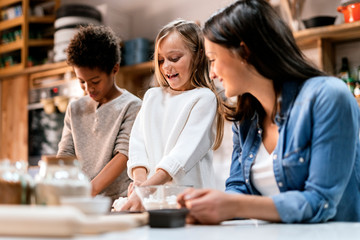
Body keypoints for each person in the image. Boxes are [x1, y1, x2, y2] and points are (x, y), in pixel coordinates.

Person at [178, 0, 360, 223]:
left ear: (244, 51)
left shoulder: (328, 96)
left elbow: (320, 202)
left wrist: (232, 205)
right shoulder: (245, 119)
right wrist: (206, 206)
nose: (212, 73)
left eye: (213, 60)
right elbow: (238, 188)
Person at [120, 19, 225, 211]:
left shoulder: (204, 98)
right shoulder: (152, 96)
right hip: (152, 199)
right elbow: (137, 143)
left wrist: (148, 188)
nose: (166, 66)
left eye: (174, 58)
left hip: (191, 203)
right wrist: (140, 182)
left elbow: (182, 154)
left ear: (198, 56)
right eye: (161, 60)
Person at [57, 25, 142, 202]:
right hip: (81, 200)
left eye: (95, 81)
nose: (88, 88)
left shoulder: (132, 106)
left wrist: (89, 191)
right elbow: (65, 153)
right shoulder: (75, 109)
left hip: (117, 201)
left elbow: (124, 155)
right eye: (81, 81)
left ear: (115, 69)